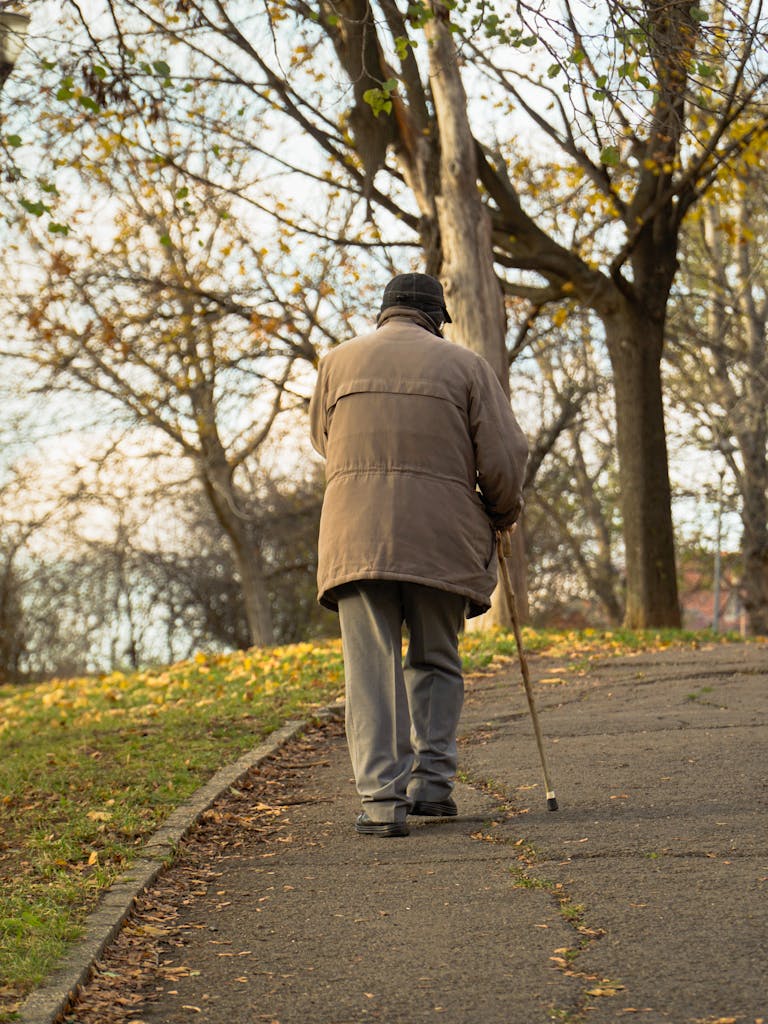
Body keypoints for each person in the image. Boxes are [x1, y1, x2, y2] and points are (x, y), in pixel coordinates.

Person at [309, 272, 529, 837]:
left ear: (385, 313)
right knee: (435, 657)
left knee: (371, 670)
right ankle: (432, 788)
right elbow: (504, 455)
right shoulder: (466, 367)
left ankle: (383, 803)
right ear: (436, 318)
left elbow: (323, 441)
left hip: (356, 535)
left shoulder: (336, 362)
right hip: (441, 535)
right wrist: (502, 512)